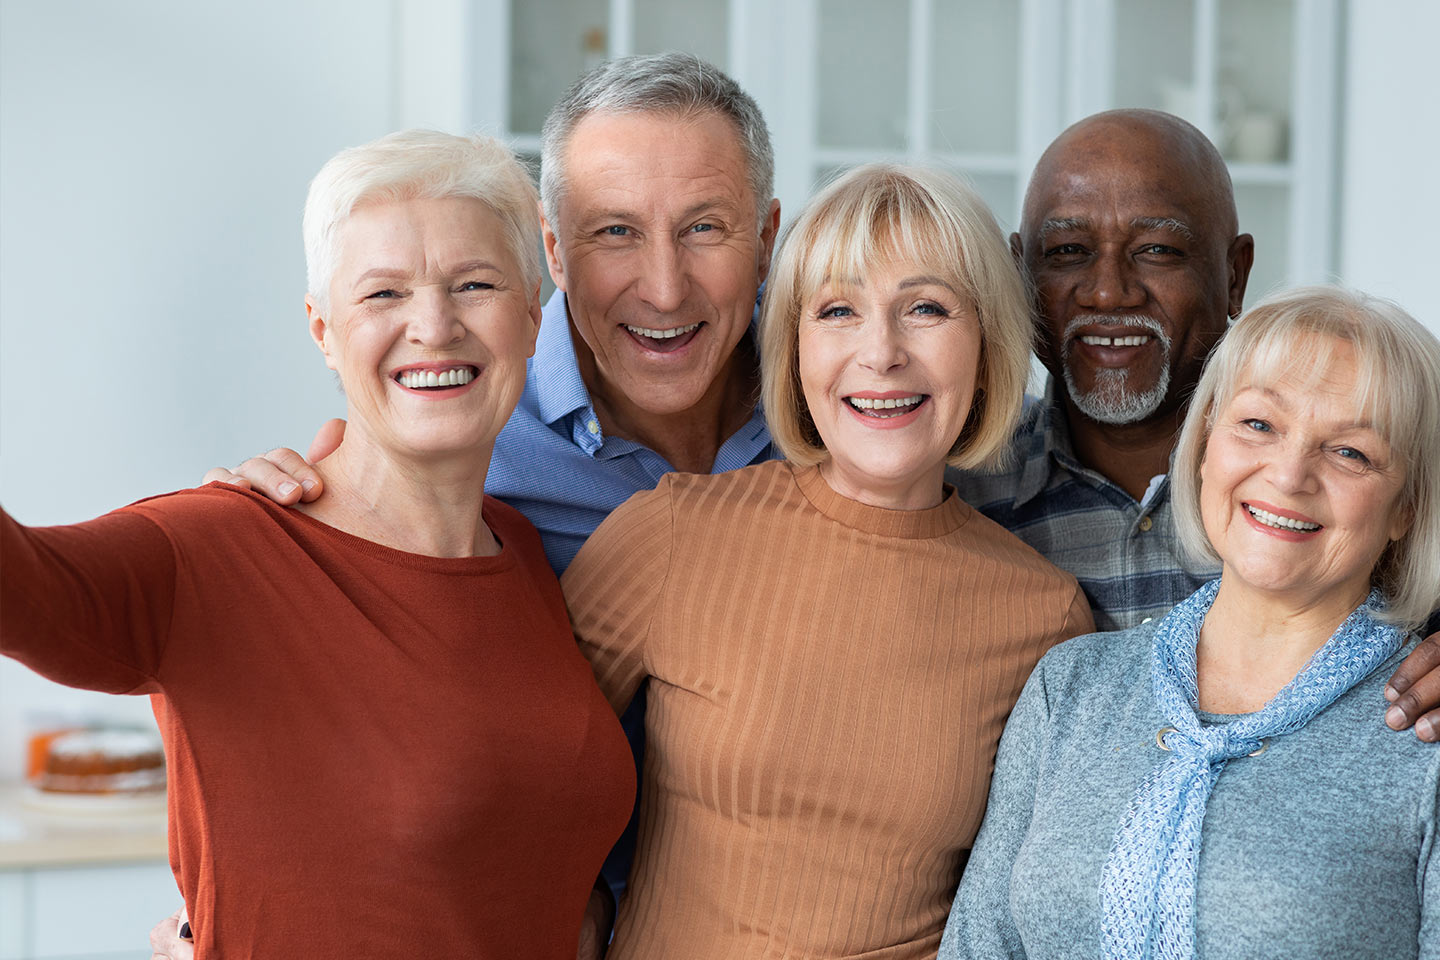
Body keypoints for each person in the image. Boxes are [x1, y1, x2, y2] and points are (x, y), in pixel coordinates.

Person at [1, 130, 634, 958]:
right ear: (324, 331)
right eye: (383, 295)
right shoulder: (214, 546)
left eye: (473, 284)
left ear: (529, 317)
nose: (433, 326)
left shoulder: (520, 550)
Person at [564, 163, 1092, 959]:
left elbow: (1033, 908)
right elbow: (501, 765)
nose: (881, 353)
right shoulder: (675, 533)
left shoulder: (1043, 614)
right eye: (839, 310)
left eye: (926, 308)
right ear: (795, 347)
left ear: (985, 347)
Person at [940, 286, 1440, 958]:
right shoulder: (1072, 690)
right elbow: (980, 946)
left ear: (1406, 507)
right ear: (1205, 446)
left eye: (1350, 452)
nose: (1289, 475)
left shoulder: (1426, 737)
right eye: (1259, 425)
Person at [946, 107, 1440, 736]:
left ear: (1235, 275)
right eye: (1068, 251)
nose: (1109, 292)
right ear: (1020, 274)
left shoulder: (1332, 500)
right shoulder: (955, 492)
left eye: (1157, 250)